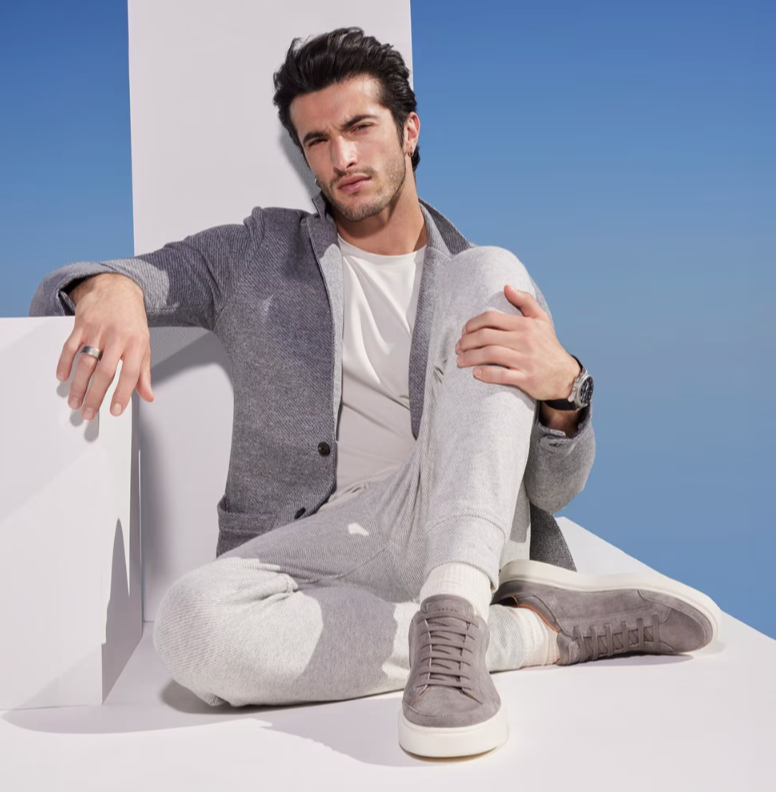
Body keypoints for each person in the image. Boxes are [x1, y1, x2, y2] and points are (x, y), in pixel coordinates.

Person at [30, 27, 721, 759]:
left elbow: (553, 491)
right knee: (191, 628)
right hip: (316, 557)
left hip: (451, 521)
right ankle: (526, 633)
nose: (343, 158)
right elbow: (82, 288)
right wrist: (109, 287)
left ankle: (453, 608)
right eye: (318, 140)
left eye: (360, 127)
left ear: (409, 130)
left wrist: (564, 388)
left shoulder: (475, 282)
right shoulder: (257, 253)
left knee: (490, 271)